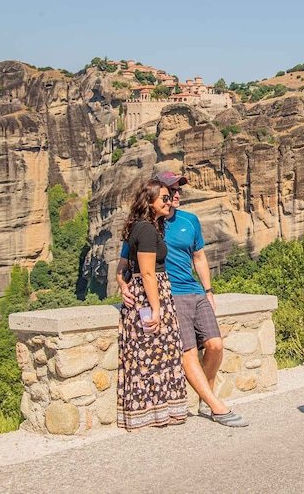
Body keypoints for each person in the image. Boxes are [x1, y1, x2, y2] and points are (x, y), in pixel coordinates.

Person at [117, 171, 248, 428]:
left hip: (195, 291)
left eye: (177, 192)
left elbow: (199, 257)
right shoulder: (148, 225)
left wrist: (208, 291)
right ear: (155, 194)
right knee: (187, 352)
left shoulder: (190, 220)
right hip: (169, 296)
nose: (175, 196)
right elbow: (126, 265)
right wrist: (123, 285)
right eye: (169, 192)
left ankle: (204, 396)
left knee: (216, 345)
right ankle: (215, 406)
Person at [117, 179, 188, 430]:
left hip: (144, 293)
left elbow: (122, 269)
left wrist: (124, 286)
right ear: (150, 202)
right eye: (165, 198)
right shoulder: (146, 230)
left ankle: (151, 411)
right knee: (155, 354)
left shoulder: (140, 227)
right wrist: (157, 309)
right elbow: (147, 273)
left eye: (170, 198)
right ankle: (155, 412)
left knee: (148, 355)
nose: (169, 202)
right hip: (152, 294)